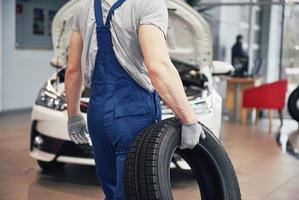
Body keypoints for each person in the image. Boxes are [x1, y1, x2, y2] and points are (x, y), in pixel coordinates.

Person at [65, 0, 205, 199]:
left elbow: (72, 69)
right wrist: (189, 119)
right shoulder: (149, 3)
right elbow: (158, 67)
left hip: (97, 112)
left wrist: (73, 115)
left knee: (112, 191)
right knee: (134, 191)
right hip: (133, 113)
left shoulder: (83, 7)